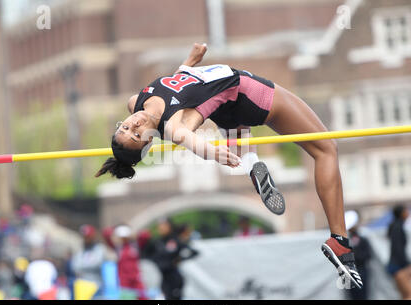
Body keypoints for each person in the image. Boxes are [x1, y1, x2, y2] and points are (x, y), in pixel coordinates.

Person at [95, 43, 363, 288]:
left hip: (224, 106)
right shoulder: (176, 127)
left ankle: (249, 161)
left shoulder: (136, 101)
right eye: (136, 134)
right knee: (326, 149)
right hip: (247, 92)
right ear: (148, 142)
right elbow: (190, 140)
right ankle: (339, 240)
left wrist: (188, 62)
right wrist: (214, 154)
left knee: (221, 107)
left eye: (126, 127)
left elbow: (180, 88)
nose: (135, 125)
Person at [149, 219, 198, 300]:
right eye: (160, 226)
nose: (161, 228)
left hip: (174, 278)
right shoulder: (157, 242)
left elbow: (194, 252)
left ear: (169, 227)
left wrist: (180, 259)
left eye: (164, 226)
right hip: (164, 278)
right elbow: (149, 255)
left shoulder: (174, 240)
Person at [102, 224, 146, 299]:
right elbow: (106, 234)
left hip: (136, 278)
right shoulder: (118, 248)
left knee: (143, 297)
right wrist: (115, 229)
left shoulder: (135, 245)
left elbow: (145, 235)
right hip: (124, 280)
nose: (124, 238)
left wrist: (133, 233)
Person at [71, 224, 107, 298]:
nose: (86, 239)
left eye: (88, 237)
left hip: (96, 285)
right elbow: (75, 267)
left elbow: (97, 263)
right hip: (82, 287)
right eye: (84, 237)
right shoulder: (80, 250)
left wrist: (83, 267)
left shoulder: (99, 249)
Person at [344, 210, 372, 300]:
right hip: (350, 272)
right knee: (353, 295)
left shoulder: (362, 240)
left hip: (361, 270)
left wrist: (355, 257)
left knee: (362, 294)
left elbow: (367, 255)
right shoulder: (346, 242)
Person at [386, 204, 411, 300]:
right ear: (401, 213)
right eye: (406, 211)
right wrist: (406, 265)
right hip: (398, 265)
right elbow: (398, 249)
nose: (408, 213)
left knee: (404, 295)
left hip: (396, 264)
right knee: (409, 294)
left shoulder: (396, 226)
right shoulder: (397, 227)